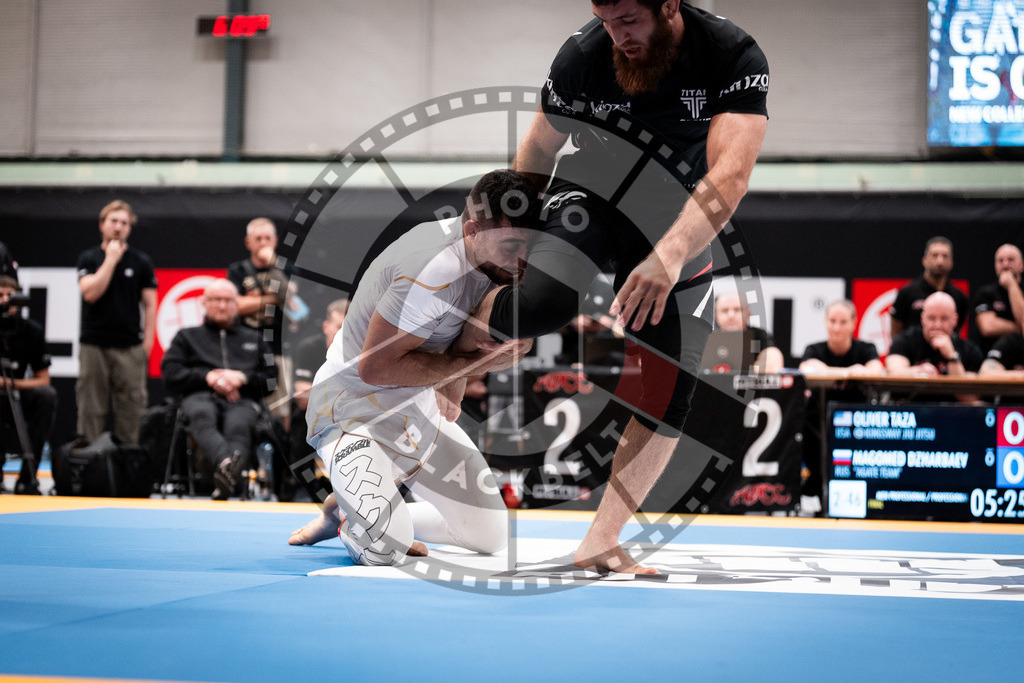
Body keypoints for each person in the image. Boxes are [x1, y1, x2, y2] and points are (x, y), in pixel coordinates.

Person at [457, 0, 768, 573]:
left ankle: (601, 541)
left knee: (670, 387)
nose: (615, 34)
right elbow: (537, 150)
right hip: (590, 193)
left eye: (628, 20)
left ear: (668, 6)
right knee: (542, 305)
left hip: (681, 213)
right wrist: (509, 241)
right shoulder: (583, 54)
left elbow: (732, 174)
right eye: (605, 20)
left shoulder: (731, 54)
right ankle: (442, 340)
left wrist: (669, 256)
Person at [289, 169, 541, 565]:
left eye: (529, 245)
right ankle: (357, 521)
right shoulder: (430, 272)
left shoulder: (496, 255)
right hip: (352, 405)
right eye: (511, 247)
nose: (522, 259)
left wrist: (502, 350)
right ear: (472, 230)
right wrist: (473, 364)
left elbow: (474, 334)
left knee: (489, 534)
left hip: (416, 403)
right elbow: (376, 369)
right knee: (386, 548)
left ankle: (350, 507)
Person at [161, 279, 277, 500]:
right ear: (204, 303)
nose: (222, 306)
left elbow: (272, 380)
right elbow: (171, 374)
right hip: (200, 396)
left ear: (237, 304)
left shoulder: (255, 338)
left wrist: (241, 378)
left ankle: (226, 474)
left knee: (239, 423)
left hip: (243, 400)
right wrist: (208, 377)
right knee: (201, 413)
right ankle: (229, 468)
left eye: (227, 301)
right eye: (216, 300)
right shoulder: (186, 336)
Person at [76, 200, 157, 445]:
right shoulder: (89, 258)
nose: (119, 227)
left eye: (124, 223)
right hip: (94, 345)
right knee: (91, 410)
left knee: (132, 412)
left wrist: (147, 345)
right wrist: (110, 259)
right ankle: (88, 469)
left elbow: (150, 305)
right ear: (102, 225)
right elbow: (90, 293)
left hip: (130, 346)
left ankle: (127, 472)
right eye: (114, 222)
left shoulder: (140, 261)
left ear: (129, 229)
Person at [797, 300, 883, 514]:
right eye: (832, 321)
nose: (837, 327)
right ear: (826, 322)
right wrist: (849, 372)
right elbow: (806, 368)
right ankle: (813, 491)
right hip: (817, 424)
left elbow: (876, 369)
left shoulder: (865, 349)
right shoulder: (814, 348)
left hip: (856, 423)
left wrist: (831, 372)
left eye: (843, 321)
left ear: (853, 323)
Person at [227, 218, 294, 429]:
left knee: (280, 410)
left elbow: (296, 305)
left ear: (275, 241)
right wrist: (272, 299)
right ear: (249, 242)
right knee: (245, 409)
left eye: (267, 238)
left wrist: (275, 265)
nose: (263, 243)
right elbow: (234, 306)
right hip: (246, 351)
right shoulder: (238, 270)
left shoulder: (286, 270)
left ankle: (279, 457)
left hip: (278, 350)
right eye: (258, 239)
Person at [0, 250, 56, 495]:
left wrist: (8, 384)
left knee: (46, 396)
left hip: (17, 395)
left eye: (10, 296)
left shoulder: (30, 331)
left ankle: (27, 477)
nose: (5, 301)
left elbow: (44, 379)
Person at [284, 298, 349, 501]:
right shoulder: (308, 348)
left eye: (349, 327)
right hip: (316, 415)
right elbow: (303, 397)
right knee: (307, 416)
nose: (344, 333)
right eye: (339, 327)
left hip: (353, 416)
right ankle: (305, 489)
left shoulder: (364, 351)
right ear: (326, 326)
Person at [886, 292, 983, 403]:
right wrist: (918, 372)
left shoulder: (969, 350)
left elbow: (968, 397)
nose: (937, 325)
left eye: (944, 318)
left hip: (953, 414)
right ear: (923, 318)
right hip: (913, 410)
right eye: (931, 318)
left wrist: (952, 356)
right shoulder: (905, 340)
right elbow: (892, 373)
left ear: (955, 320)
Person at [889, 236, 969, 340]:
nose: (940, 261)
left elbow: (956, 332)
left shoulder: (959, 296)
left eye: (945, 256)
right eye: (934, 255)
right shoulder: (907, 292)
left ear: (951, 262)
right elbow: (896, 331)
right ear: (925, 260)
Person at [971, 243, 1024, 354]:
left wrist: (1012, 286)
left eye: (1011, 260)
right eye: (1000, 261)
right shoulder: (985, 293)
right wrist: (1020, 327)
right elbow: (988, 327)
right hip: (992, 357)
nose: (1005, 265)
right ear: (995, 265)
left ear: (1021, 265)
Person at [714, 291, 783, 373]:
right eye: (725, 311)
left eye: (737, 310)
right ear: (716, 316)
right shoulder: (707, 338)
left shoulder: (759, 336)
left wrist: (732, 371)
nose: (731, 315)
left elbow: (773, 364)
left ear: (748, 314)